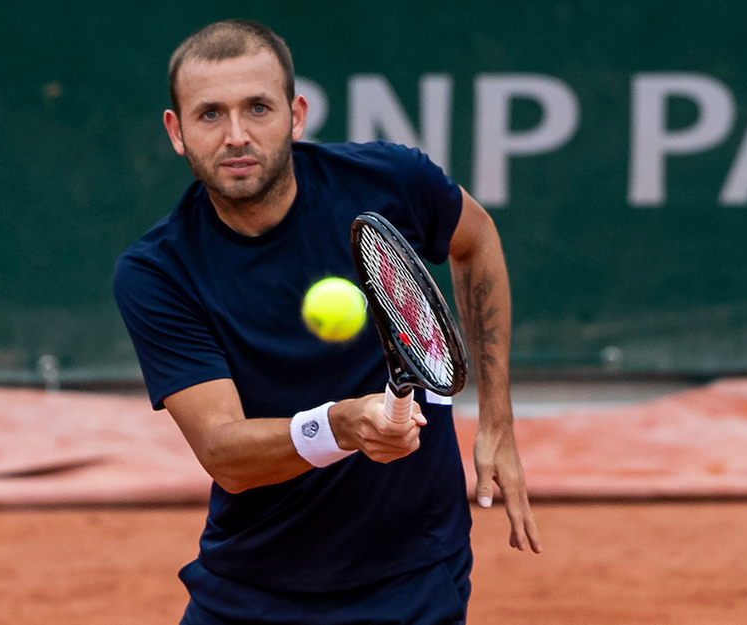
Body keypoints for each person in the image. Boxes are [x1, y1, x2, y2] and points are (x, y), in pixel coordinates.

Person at [114, 19, 540, 624]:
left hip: (413, 578)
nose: (236, 135)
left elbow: (477, 240)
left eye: (257, 108)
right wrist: (341, 425)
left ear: (296, 115)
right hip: (249, 589)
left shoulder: (390, 182)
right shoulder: (158, 272)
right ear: (176, 131)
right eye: (210, 115)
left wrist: (497, 417)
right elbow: (224, 454)